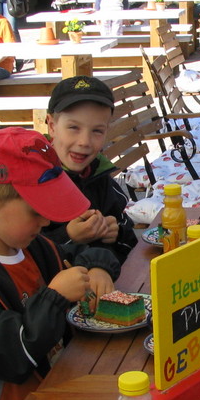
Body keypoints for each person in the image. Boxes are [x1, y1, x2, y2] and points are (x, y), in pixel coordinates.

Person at [0, 127, 119, 400]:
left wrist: (97, 268)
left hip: (59, 387)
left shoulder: (33, 247)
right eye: (35, 211)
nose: (47, 219)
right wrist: (55, 298)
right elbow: (9, 356)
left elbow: (84, 256)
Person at [41, 77, 137, 263]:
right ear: (52, 126)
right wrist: (69, 236)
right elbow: (20, 255)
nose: (84, 142)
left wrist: (116, 231)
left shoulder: (99, 175)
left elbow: (130, 242)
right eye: (73, 127)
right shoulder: (34, 182)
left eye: (97, 131)